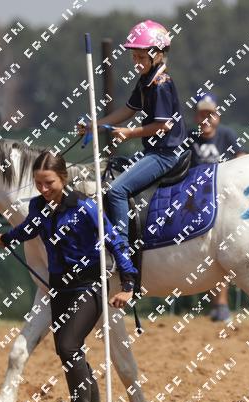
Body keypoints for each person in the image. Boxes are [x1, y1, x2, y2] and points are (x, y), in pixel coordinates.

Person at [0, 151, 138, 402]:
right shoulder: (38, 206)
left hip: (89, 285)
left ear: (63, 178)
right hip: (58, 287)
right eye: (38, 183)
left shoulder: (85, 206)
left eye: (49, 183)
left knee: (69, 345)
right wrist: (7, 238)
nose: (44, 189)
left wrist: (128, 284)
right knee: (67, 349)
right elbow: (28, 229)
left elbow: (115, 241)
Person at [78, 19, 186, 248]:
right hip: (154, 151)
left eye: (141, 57)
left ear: (157, 55)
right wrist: (94, 125)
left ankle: (121, 248)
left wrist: (129, 133)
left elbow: (163, 126)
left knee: (116, 190)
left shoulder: (161, 83)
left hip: (165, 155)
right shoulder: (146, 80)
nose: (136, 63)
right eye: (134, 57)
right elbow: (128, 110)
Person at [188, 91, 244, 322]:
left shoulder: (227, 135)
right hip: (195, 203)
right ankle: (216, 305)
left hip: (225, 202)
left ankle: (221, 304)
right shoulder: (189, 138)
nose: (206, 119)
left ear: (217, 116)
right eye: (202, 114)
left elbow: (242, 160)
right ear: (196, 117)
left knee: (223, 251)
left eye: (210, 114)